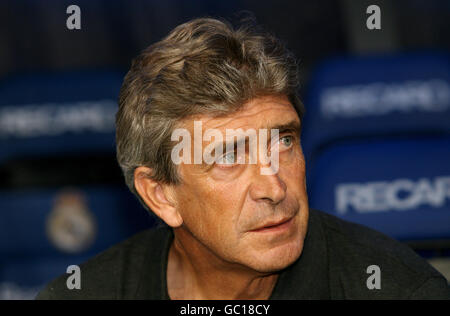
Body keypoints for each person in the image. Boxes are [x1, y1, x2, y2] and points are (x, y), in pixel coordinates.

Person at [36, 17, 449, 300]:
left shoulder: (399, 289)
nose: (274, 188)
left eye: (283, 142)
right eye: (229, 156)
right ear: (161, 194)